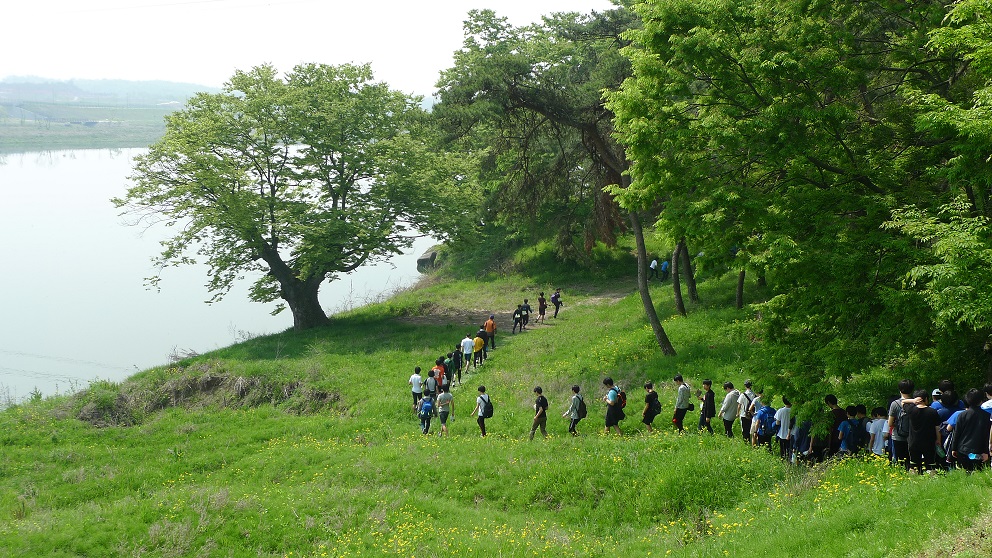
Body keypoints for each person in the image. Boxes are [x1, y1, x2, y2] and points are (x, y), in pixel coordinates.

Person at [951, 389, 992, 471]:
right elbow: (987, 435)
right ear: (981, 400)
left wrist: (954, 448)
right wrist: (986, 451)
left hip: (963, 449)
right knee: (978, 473)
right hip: (979, 450)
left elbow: (957, 433)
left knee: (965, 474)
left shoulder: (962, 415)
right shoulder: (987, 416)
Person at [902, 389, 942, 474]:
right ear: (926, 399)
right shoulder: (932, 411)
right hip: (929, 442)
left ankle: (913, 481)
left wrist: (913, 400)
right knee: (931, 464)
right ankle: (932, 480)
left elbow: (903, 402)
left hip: (913, 442)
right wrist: (938, 440)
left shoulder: (911, 410)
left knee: (913, 464)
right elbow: (937, 428)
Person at [888, 379, 915, 470]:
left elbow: (890, 423)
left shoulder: (895, 404)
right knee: (912, 459)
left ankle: (903, 475)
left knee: (901, 460)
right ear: (912, 390)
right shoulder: (915, 403)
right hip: (913, 436)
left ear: (900, 389)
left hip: (898, 436)